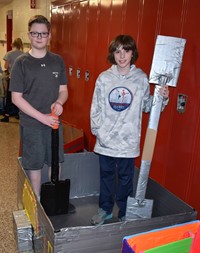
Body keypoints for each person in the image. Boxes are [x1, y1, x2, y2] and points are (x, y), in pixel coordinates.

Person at [90, 34, 169, 225]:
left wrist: (162, 97)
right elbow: (96, 108)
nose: (122, 56)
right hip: (106, 141)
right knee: (107, 177)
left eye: (126, 51)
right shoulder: (104, 78)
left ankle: (125, 211)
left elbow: (147, 106)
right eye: (118, 51)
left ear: (133, 53)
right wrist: (99, 132)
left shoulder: (141, 79)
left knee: (126, 179)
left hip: (128, 141)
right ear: (113, 54)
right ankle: (105, 209)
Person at [9, 15, 68, 199]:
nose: (39, 37)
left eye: (43, 33)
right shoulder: (21, 63)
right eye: (35, 33)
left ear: (49, 35)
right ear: (29, 35)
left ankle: (52, 204)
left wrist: (59, 102)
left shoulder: (57, 61)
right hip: (32, 125)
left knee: (55, 163)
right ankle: (37, 205)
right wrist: (42, 117)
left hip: (54, 125)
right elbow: (16, 98)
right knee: (34, 167)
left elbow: (64, 90)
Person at [1, 38, 24, 122]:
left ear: (12, 44)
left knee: (9, 97)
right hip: (21, 79)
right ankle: (20, 114)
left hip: (12, 78)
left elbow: (6, 66)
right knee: (20, 97)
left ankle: (6, 116)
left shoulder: (9, 54)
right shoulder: (23, 54)